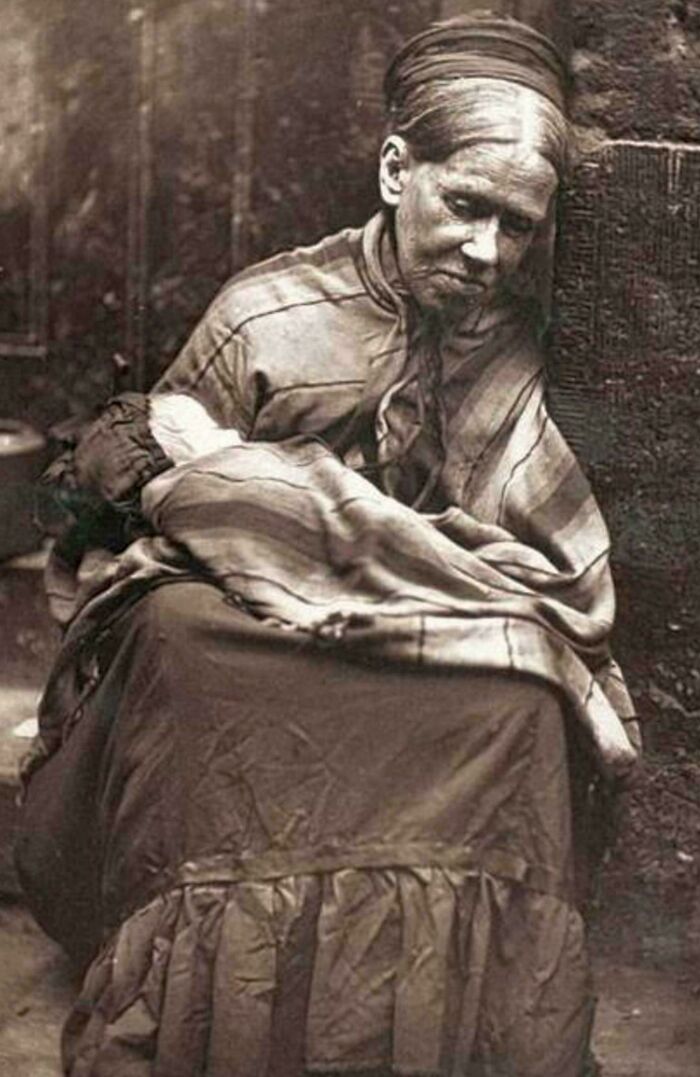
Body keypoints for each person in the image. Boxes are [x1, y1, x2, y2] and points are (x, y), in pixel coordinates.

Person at [16, 14, 640, 1077]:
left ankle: (461, 1008)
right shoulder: (267, 316)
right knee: (181, 634)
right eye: (465, 206)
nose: (486, 251)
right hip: (256, 633)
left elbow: (536, 568)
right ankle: (221, 995)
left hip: (413, 635)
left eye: (519, 227)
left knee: (528, 693)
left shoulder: (511, 351)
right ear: (399, 169)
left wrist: (393, 563)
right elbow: (156, 500)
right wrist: (276, 519)